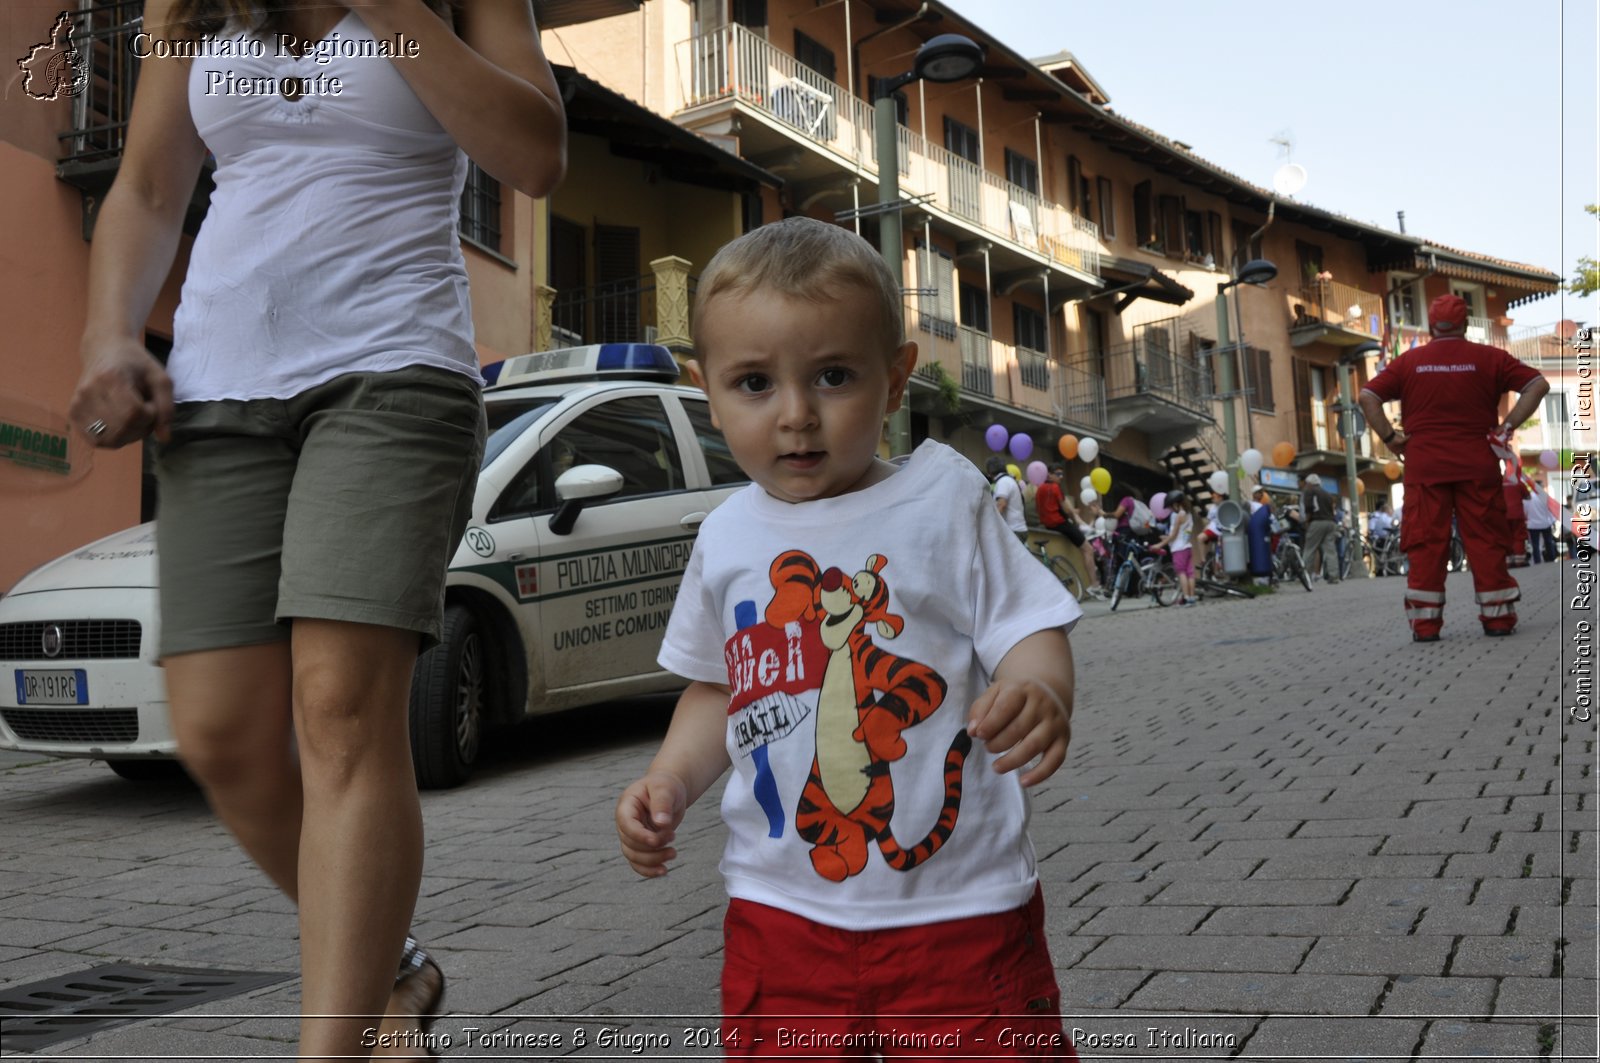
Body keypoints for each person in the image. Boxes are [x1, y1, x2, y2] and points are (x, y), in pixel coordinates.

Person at [66, 2, 566, 1057]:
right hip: (215, 391)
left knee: (340, 707)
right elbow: (153, 183)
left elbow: (535, 154)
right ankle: (391, 967)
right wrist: (111, 333)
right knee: (219, 735)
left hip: (394, 372)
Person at [614, 218, 1080, 1057]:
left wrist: (1041, 688)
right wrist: (669, 779)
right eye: (754, 382)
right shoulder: (724, 536)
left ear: (896, 377)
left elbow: (1027, 621)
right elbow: (719, 687)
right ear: (706, 391)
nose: (796, 415)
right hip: (779, 913)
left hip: (958, 911)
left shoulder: (944, 497)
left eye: (833, 375)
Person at [1358, 294, 1550, 641]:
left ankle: (1426, 625)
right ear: (1464, 324)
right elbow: (1538, 384)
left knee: (1425, 542)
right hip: (1477, 464)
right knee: (1487, 538)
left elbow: (1367, 397)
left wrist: (1390, 437)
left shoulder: (1408, 362)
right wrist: (1506, 429)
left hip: (1424, 467)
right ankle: (1498, 619)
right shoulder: (1490, 358)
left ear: (1432, 325)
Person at [1038, 464, 1098, 582]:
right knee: (1088, 549)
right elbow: (1066, 510)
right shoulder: (1055, 487)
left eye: (1062, 474)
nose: (1061, 477)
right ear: (1049, 474)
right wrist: (1074, 513)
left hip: (1048, 525)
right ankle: (1094, 585)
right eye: (1058, 474)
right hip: (1060, 523)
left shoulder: (1040, 488)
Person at [1151, 491, 1197, 605]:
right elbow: (1182, 533)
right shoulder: (1189, 514)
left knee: (1181, 573)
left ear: (1176, 503)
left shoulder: (1179, 515)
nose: (1171, 509)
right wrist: (1167, 538)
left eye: (1171, 506)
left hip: (1179, 549)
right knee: (1190, 574)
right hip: (1187, 547)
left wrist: (1159, 545)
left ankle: (1186, 597)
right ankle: (1192, 597)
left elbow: (1173, 535)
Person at [1300, 474, 1340, 583]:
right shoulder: (1327, 494)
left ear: (1309, 483)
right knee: (1330, 550)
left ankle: (1305, 575)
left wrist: (1307, 521)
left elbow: (1309, 508)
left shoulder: (1309, 491)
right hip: (1330, 522)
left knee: (1310, 548)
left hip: (1317, 521)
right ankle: (1334, 576)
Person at [987, 456, 1029, 544]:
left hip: (1013, 530)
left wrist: (990, 523)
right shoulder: (1008, 480)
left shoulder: (1003, 482)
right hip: (1017, 529)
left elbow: (1001, 505)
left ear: (990, 471)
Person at [1525, 476, 1558, 563]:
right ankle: (1551, 559)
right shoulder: (1545, 498)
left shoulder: (1528, 497)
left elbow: (1525, 511)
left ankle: (1537, 561)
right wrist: (1552, 522)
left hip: (1532, 525)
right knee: (1548, 542)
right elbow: (1551, 511)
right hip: (1545, 523)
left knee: (1535, 545)